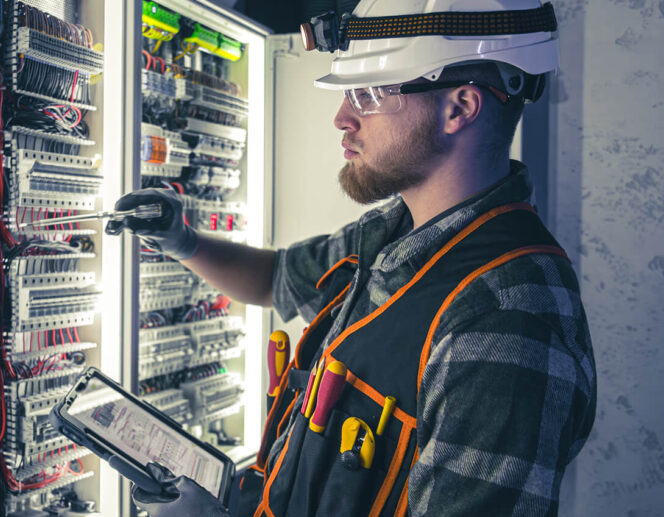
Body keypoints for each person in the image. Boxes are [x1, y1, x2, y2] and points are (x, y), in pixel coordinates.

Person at [108, 1, 596, 515]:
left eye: (367, 95)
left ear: (460, 107)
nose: (342, 118)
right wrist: (184, 241)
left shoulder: (507, 320)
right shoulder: (394, 231)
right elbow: (278, 279)